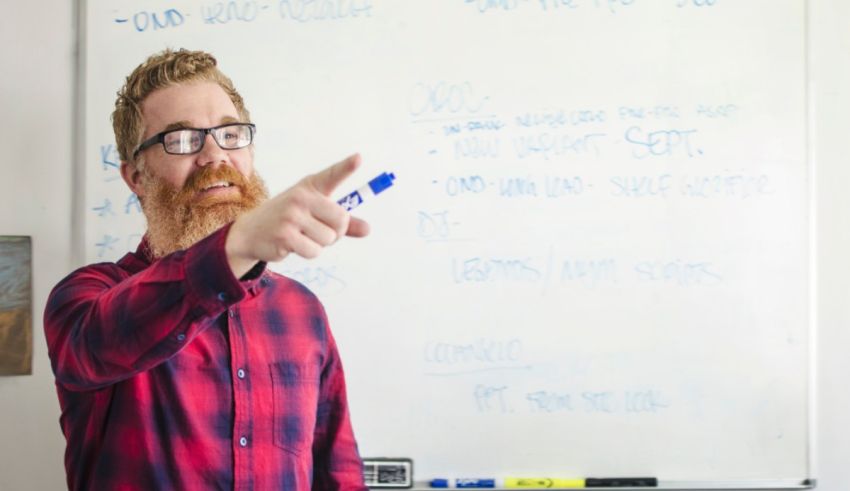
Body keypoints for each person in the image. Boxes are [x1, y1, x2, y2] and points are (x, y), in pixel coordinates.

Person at [44, 48, 370, 490]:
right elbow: (95, 346)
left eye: (230, 134)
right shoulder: (88, 296)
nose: (215, 156)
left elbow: (338, 471)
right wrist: (236, 245)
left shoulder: (301, 310)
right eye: (181, 140)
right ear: (135, 177)